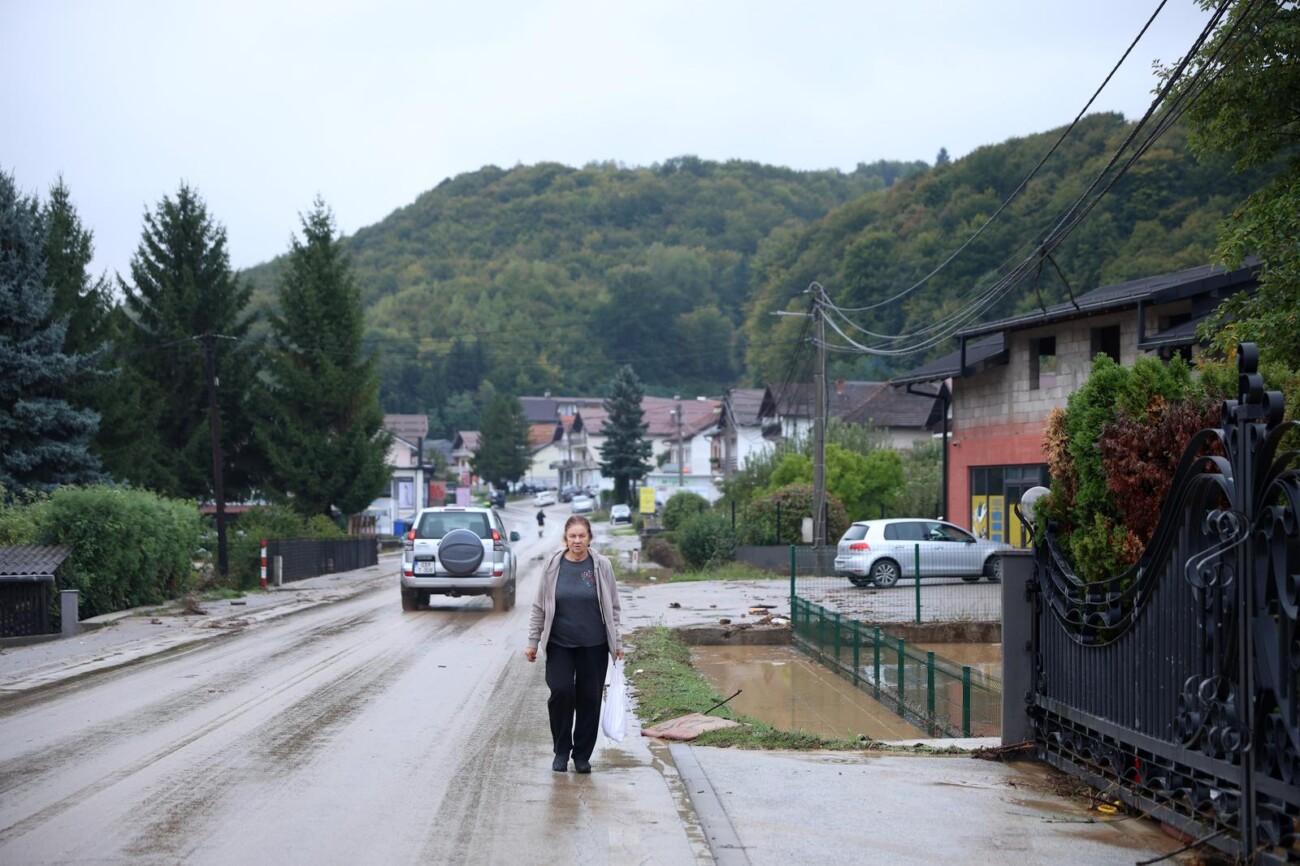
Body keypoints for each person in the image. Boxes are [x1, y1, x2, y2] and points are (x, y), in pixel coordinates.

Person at [524, 515, 623, 774]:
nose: (577, 541)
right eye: (572, 536)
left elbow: (613, 608)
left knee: (590, 699)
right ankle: (560, 750)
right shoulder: (552, 566)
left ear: (589, 538)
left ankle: (581, 756)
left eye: (582, 536)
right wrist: (533, 641)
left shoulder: (601, 565)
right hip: (560, 644)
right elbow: (539, 607)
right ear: (565, 540)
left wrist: (617, 642)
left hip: (594, 645)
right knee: (562, 692)